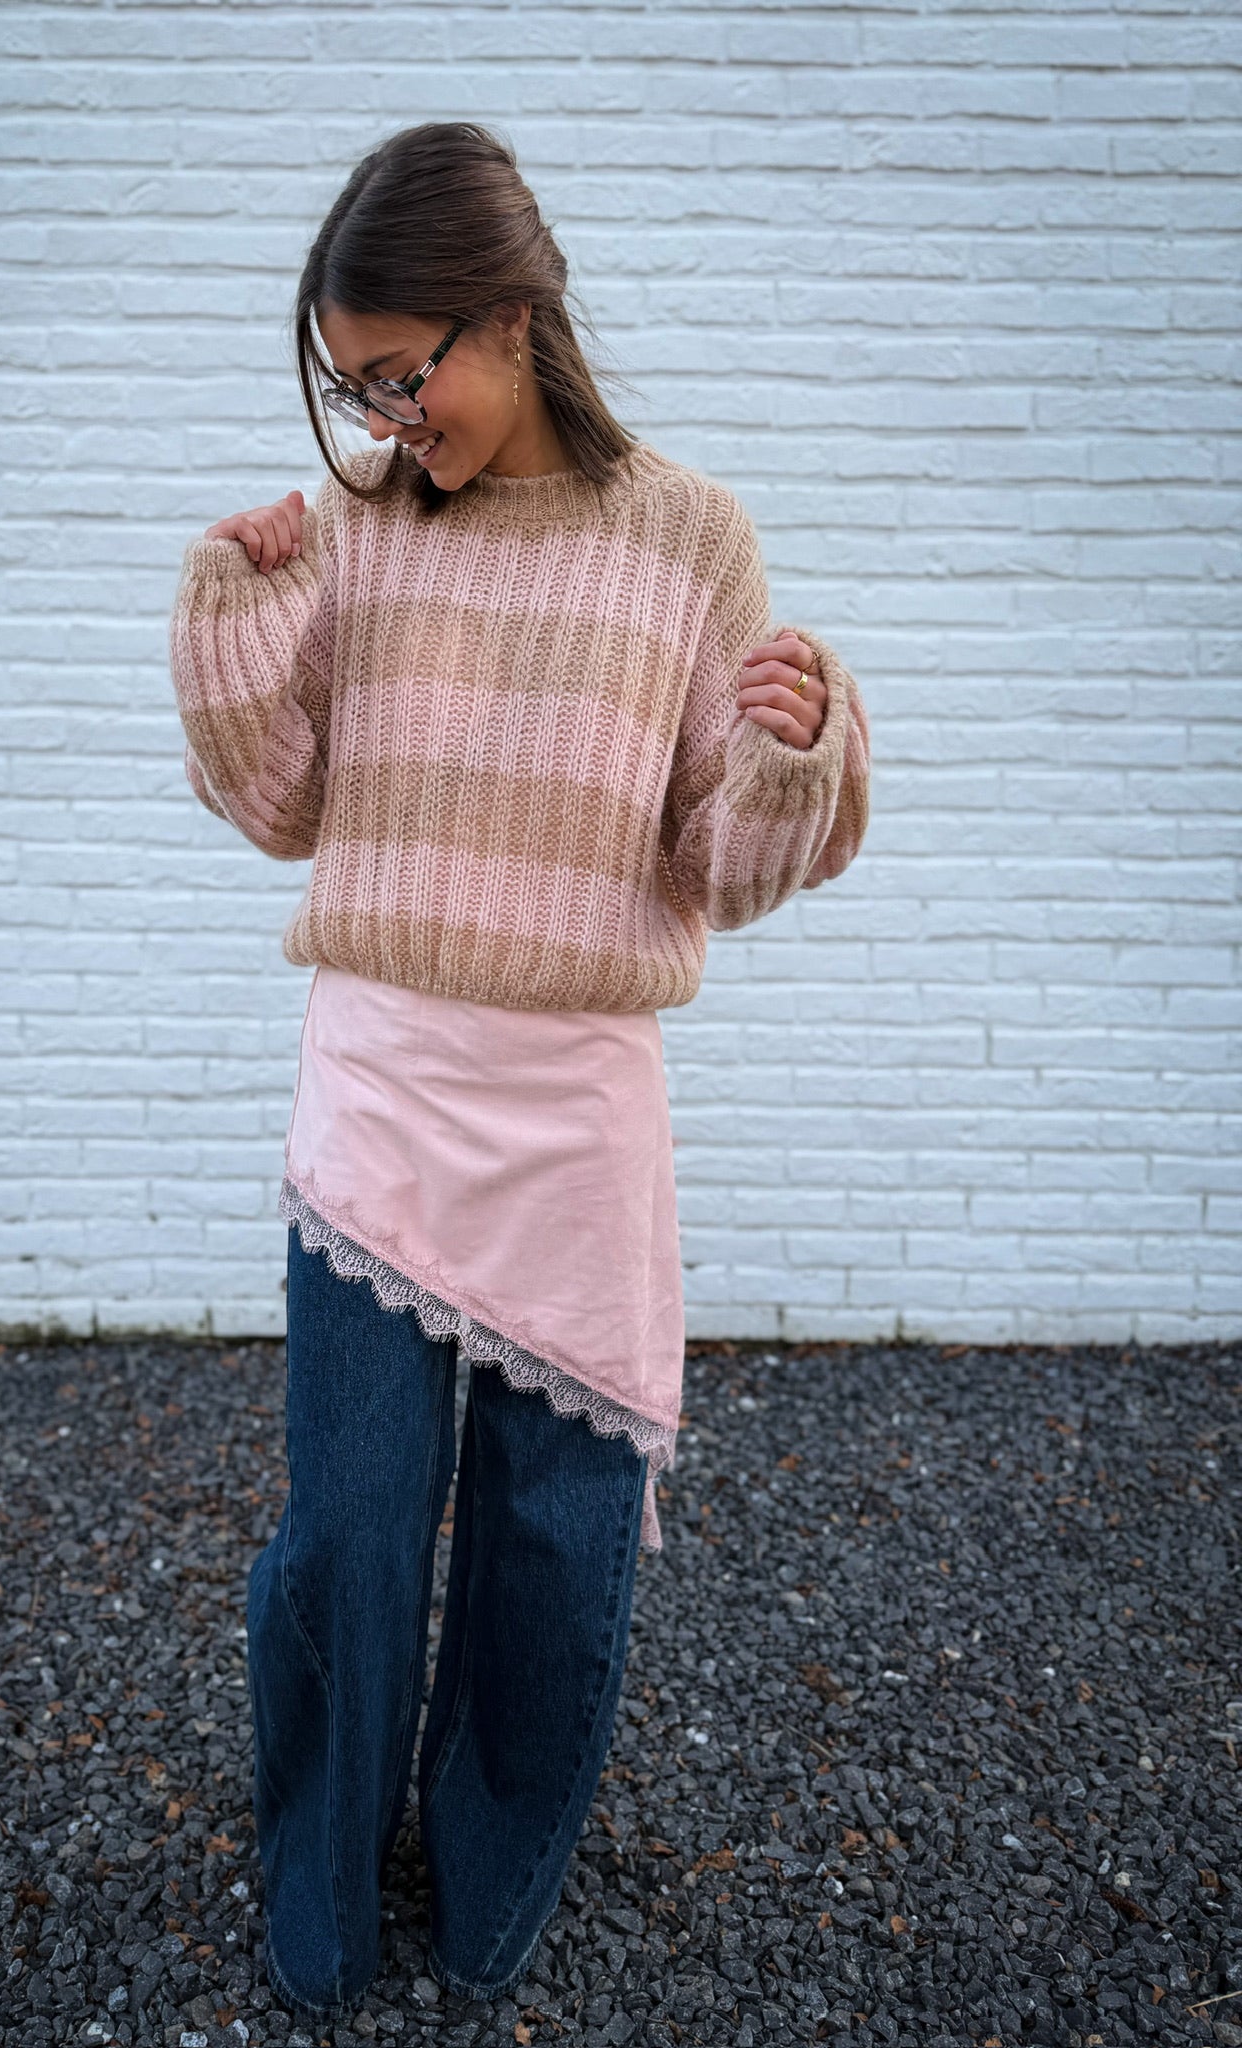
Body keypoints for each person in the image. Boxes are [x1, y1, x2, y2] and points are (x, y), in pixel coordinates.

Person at [167, 120, 871, 2024]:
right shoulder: (363, 533)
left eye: (407, 373)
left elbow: (717, 859)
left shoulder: (689, 540)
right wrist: (235, 623)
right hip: (381, 1091)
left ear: (512, 316)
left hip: (576, 1112)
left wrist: (794, 750)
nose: (389, 421)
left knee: (554, 1544)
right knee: (350, 1529)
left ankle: (493, 1870)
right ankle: (320, 1878)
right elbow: (281, 805)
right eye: (357, 387)